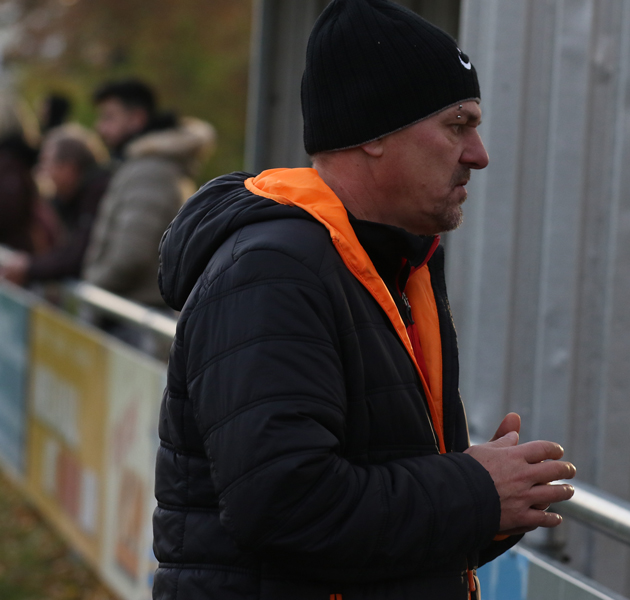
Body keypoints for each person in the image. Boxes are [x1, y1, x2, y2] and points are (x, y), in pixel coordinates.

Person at [152, 1, 576, 599]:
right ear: (373, 134)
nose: (478, 154)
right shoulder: (273, 271)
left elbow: (369, 529)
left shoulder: (389, 261)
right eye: (457, 124)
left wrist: (495, 501)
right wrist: (474, 488)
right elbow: (287, 507)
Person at [82, 78, 214, 308]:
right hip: (133, 308)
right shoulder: (145, 164)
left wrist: (91, 286)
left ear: (137, 118)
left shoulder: (150, 170)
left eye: (109, 117)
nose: (100, 128)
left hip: (134, 312)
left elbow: (131, 254)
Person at [0, 125, 110, 286]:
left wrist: (30, 267)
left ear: (69, 168)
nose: (40, 171)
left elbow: (76, 256)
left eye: (46, 162)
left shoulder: (96, 195)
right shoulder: (73, 199)